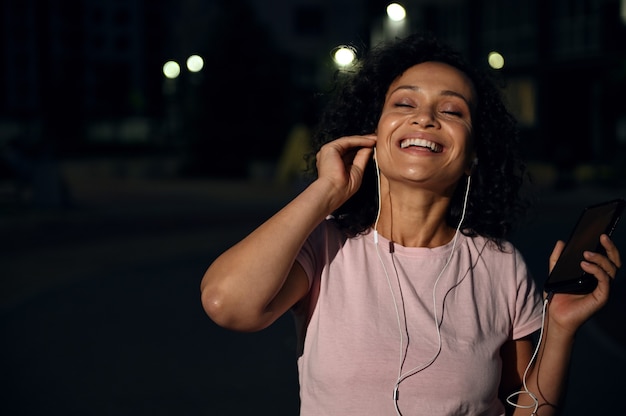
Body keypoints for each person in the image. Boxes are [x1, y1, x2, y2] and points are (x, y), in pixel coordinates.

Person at [200, 33, 621, 415]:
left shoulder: (499, 264)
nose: (425, 118)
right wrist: (326, 190)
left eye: (452, 109)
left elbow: (527, 410)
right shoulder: (326, 244)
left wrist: (561, 328)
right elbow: (227, 304)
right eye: (404, 103)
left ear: (475, 152)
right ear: (374, 133)